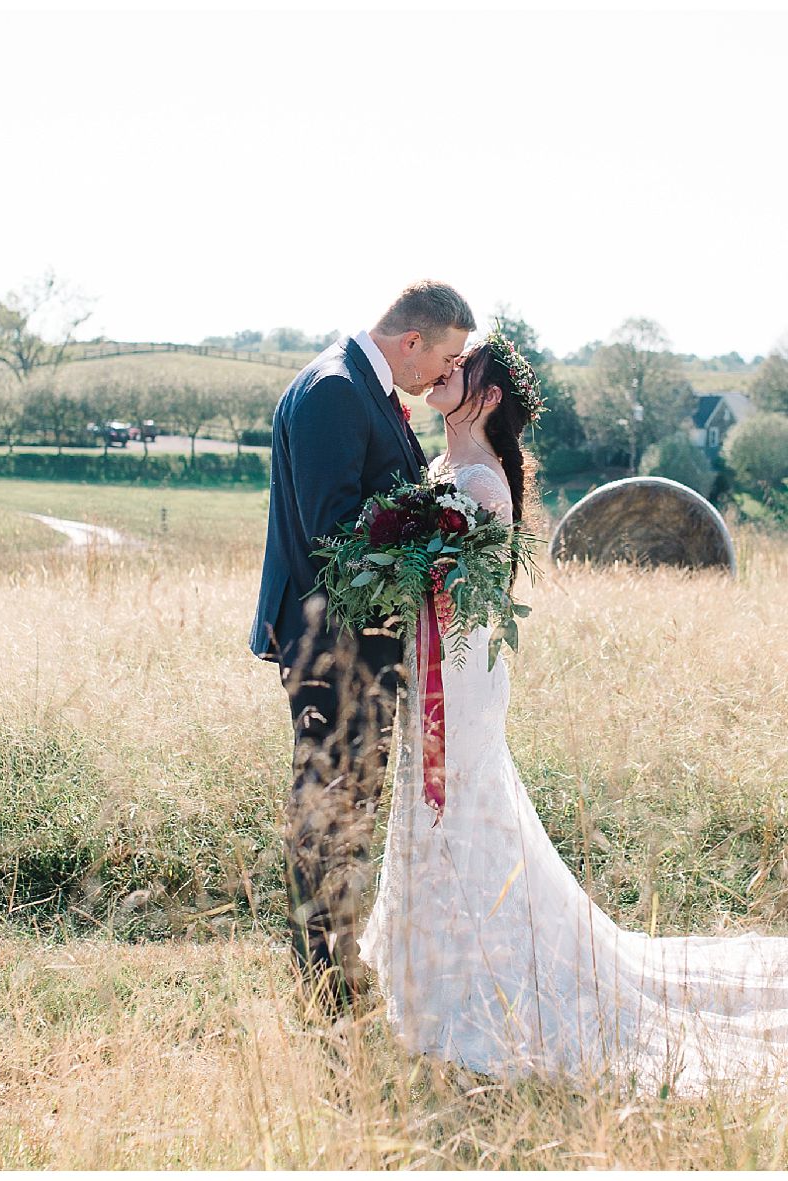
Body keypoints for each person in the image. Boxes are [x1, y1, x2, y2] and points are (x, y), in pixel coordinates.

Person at [356, 332, 788, 1096]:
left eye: (460, 367)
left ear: (489, 396)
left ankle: (472, 979)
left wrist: (409, 562)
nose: (444, 371)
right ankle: (428, 969)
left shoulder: (480, 484)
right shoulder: (443, 470)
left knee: (462, 808)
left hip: (463, 679)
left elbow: (464, 597)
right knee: (428, 805)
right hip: (432, 667)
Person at [250, 280, 475, 1014]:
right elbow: (335, 532)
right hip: (333, 641)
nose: (446, 373)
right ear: (412, 341)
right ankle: (323, 980)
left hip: (358, 639)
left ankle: (335, 963)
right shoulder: (336, 391)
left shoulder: (362, 389)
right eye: (446, 358)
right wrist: (435, 540)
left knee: (350, 803)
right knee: (329, 805)